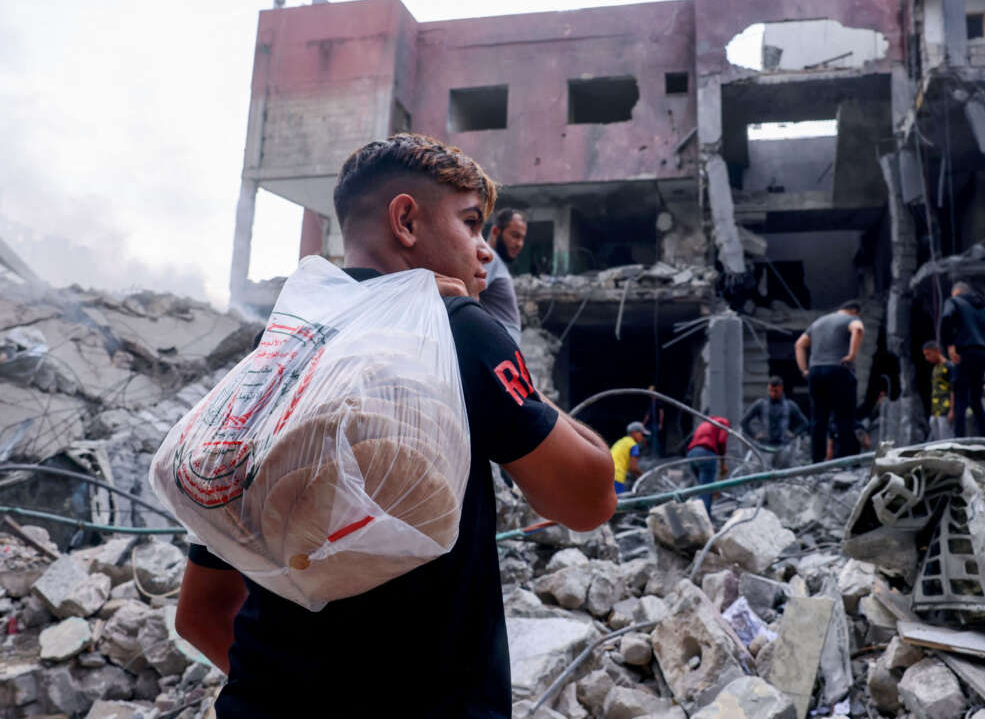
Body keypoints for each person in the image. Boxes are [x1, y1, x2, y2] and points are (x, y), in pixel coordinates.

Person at [174, 133, 616, 718]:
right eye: (471, 223)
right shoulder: (457, 330)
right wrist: (497, 359)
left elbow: (200, 613)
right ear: (406, 221)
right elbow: (591, 498)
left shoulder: (278, 351)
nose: (485, 251)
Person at [796, 300, 865, 463]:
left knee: (819, 419)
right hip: (838, 370)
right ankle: (843, 461)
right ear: (855, 311)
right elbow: (858, 329)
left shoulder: (818, 322)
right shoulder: (851, 319)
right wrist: (852, 356)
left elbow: (799, 344)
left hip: (816, 372)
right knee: (844, 418)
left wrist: (804, 369)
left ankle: (817, 461)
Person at [939, 281, 985, 438]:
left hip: (964, 352)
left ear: (956, 293)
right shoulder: (984, 308)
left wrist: (950, 345)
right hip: (983, 354)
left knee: (960, 397)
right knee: (976, 399)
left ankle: (959, 440)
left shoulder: (953, 301)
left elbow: (946, 318)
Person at [478, 207, 526, 344]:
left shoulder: (496, 261)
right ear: (496, 231)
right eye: (515, 236)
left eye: (522, 238)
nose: (519, 244)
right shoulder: (489, 258)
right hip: (497, 347)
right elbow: (469, 295)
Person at [740, 376, 808, 467]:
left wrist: (794, 434)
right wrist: (754, 435)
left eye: (775, 391)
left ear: (781, 389)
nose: (772, 393)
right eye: (770, 390)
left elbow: (804, 423)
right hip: (764, 448)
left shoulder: (789, 405)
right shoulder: (761, 404)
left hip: (784, 447)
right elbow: (744, 422)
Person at [686, 416, 730, 516]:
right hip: (706, 454)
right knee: (706, 490)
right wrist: (723, 463)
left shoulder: (704, 424)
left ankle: (702, 517)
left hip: (692, 454)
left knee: (703, 488)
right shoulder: (724, 422)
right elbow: (722, 441)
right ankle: (704, 520)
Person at [922, 341, 955, 441]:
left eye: (929, 354)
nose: (927, 358)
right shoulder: (935, 368)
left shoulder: (949, 366)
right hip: (935, 411)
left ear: (937, 351)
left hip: (945, 409)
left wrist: (952, 410)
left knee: (946, 440)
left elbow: (953, 389)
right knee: (937, 441)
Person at [611, 421, 649, 494]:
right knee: (619, 501)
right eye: (642, 434)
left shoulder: (621, 441)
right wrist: (643, 476)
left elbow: (629, 467)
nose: (643, 438)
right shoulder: (633, 445)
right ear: (634, 433)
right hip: (616, 476)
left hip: (607, 474)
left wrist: (636, 475)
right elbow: (633, 468)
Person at [643, 385, 664, 459]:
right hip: (650, 423)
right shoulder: (651, 402)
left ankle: (656, 454)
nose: (649, 392)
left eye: (650, 391)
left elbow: (661, 413)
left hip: (656, 423)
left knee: (655, 439)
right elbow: (648, 414)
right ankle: (650, 453)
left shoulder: (658, 401)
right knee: (650, 438)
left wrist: (660, 423)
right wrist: (643, 424)